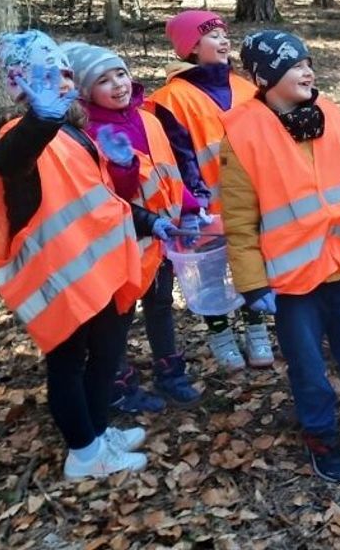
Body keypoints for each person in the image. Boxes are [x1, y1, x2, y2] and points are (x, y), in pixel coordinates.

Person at [220, 30, 340, 483]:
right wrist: (252, 283)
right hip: (292, 283)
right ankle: (321, 436)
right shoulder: (242, 132)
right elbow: (239, 220)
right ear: (266, 78)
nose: (309, 70)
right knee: (308, 367)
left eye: (309, 61)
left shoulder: (327, 111)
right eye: (295, 65)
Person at [0, 31, 165, 479]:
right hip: (60, 278)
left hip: (96, 271)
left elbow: (99, 201)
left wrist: (150, 222)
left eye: (65, 73)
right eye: (46, 76)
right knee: (69, 362)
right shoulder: (21, 131)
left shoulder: (71, 129)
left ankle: (97, 430)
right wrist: (40, 119)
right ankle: (84, 454)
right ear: (20, 84)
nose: (61, 83)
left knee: (105, 354)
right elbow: (8, 160)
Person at [62, 42, 203, 412]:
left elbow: (168, 171)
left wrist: (190, 207)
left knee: (159, 303)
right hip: (121, 238)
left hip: (162, 236)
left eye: (120, 73)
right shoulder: (86, 132)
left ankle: (169, 368)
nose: (118, 85)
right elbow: (107, 193)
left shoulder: (149, 118)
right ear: (83, 91)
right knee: (119, 312)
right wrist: (123, 166)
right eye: (103, 81)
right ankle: (118, 379)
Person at [145, 10, 274, 372]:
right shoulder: (170, 100)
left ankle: (256, 329)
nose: (224, 40)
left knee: (253, 266)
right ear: (191, 47)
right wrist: (192, 203)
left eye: (224, 33)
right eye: (212, 35)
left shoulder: (250, 89)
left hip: (252, 202)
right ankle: (221, 334)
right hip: (205, 209)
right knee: (212, 275)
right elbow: (175, 157)